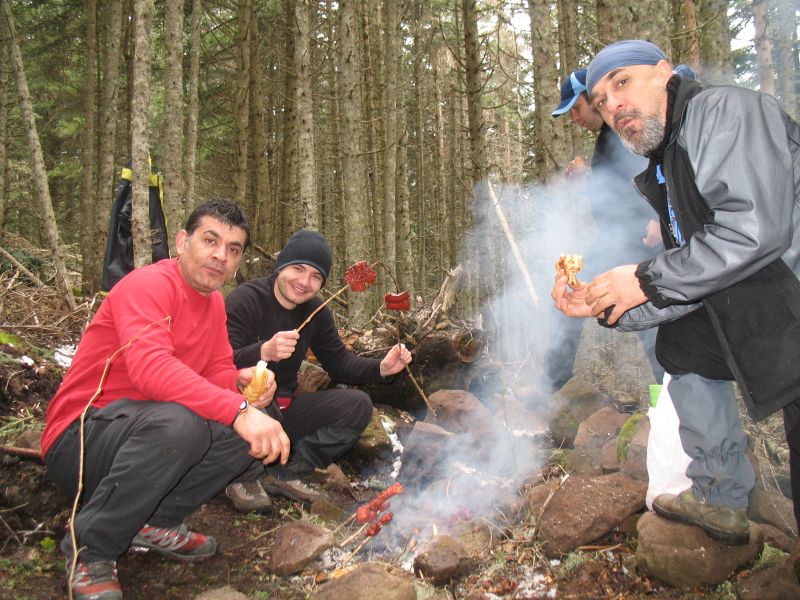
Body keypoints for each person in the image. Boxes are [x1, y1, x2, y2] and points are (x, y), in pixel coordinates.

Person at [552, 39, 800, 546]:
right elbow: (691, 277)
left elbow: (754, 231)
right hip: (763, 299)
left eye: (622, 83)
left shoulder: (722, 111)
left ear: (664, 72)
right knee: (682, 345)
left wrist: (644, 279)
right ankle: (720, 495)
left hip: (786, 294)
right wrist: (602, 301)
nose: (613, 105)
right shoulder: (665, 163)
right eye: (601, 100)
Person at [42, 199, 290, 600]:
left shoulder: (213, 304)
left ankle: (154, 521)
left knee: (252, 425)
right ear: (182, 241)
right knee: (183, 424)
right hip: (81, 441)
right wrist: (237, 408)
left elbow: (214, 371)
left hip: (142, 436)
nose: (220, 256)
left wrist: (238, 382)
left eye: (233, 249)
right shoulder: (149, 285)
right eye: (210, 240)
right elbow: (150, 369)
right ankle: (91, 550)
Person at [224, 229, 412, 511]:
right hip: (241, 411)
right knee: (258, 400)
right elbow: (218, 363)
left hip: (285, 412)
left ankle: (286, 472)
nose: (304, 282)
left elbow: (340, 364)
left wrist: (382, 368)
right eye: (298, 269)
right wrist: (263, 351)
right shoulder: (246, 299)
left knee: (357, 405)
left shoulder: (316, 312)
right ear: (281, 266)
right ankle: (243, 476)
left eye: (315, 276)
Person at [547, 67, 663, 394]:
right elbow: (618, 191)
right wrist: (585, 183)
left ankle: (667, 406)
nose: (575, 119)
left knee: (658, 329)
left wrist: (658, 217)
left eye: (576, 108)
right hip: (617, 240)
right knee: (568, 291)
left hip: (640, 241)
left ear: (594, 98)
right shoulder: (608, 138)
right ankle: (553, 390)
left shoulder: (628, 129)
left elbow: (657, 169)